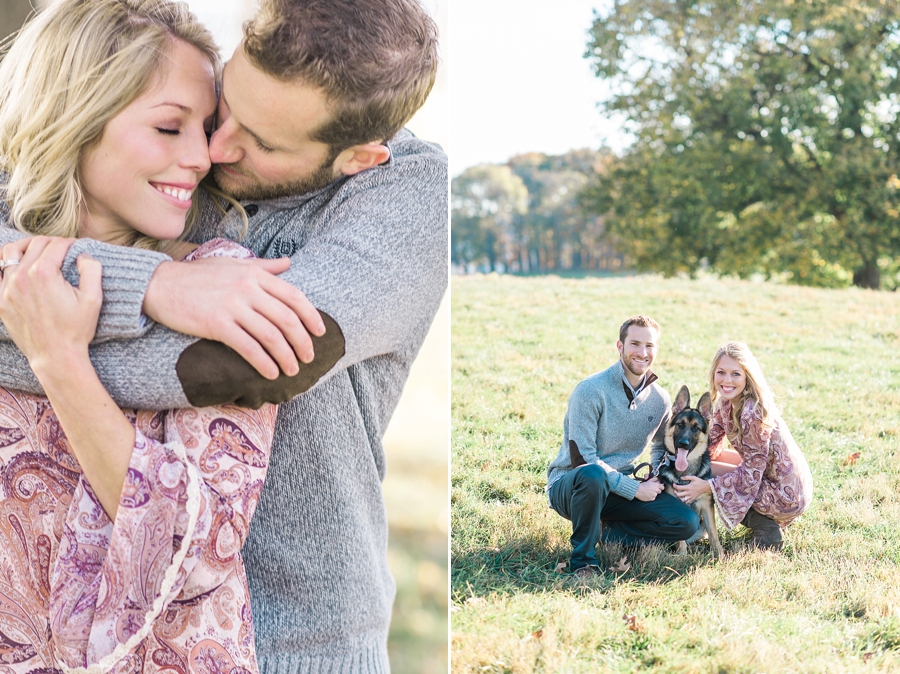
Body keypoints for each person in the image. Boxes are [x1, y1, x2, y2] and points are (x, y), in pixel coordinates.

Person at [0, 0, 446, 670]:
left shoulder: (406, 194)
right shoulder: (166, 170)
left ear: (358, 157)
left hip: (299, 640)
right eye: (221, 109)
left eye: (261, 142)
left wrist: (52, 342)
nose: (214, 150)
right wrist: (153, 285)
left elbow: (248, 360)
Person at [547, 316, 700, 578]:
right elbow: (582, 459)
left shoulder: (659, 400)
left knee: (685, 522)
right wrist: (635, 489)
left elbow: (664, 446)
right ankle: (583, 562)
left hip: (619, 489)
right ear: (620, 346)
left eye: (649, 346)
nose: (642, 353)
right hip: (573, 486)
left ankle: (610, 535)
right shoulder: (590, 390)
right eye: (635, 344)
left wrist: (655, 475)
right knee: (592, 474)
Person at [674, 342, 813, 551]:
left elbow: (749, 478)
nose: (727, 380)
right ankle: (698, 520)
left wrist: (706, 486)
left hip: (787, 494)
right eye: (721, 372)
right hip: (768, 476)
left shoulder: (752, 413)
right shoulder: (726, 403)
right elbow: (709, 447)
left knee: (708, 473)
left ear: (748, 376)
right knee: (704, 464)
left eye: (735, 374)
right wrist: (678, 459)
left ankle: (766, 529)